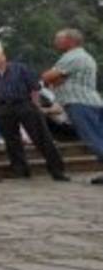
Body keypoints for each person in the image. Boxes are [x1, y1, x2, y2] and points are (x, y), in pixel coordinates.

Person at [0, 43, 68, 181]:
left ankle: (56, 170)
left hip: (24, 103)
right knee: (11, 141)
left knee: (41, 137)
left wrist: (35, 105)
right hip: (2, 107)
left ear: (2, 55)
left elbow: (35, 87)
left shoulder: (20, 68)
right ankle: (20, 170)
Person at [41, 28, 103, 185]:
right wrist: (56, 79)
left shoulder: (72, 57)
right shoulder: (84, 56)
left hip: (79, 103)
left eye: (58, 39)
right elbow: (55, 79)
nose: (55, 42)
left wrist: (54, 78)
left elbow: (47, 77)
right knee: (99, 137)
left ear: (69, 41)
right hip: (92, 101)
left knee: (93, 139)